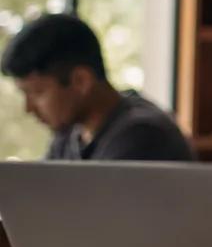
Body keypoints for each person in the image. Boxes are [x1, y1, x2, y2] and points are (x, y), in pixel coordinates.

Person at [2, 13, 193, 162]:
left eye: (37, 93)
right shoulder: (68, 136)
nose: (29, 108)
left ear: (81, 81)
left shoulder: (142, 138)